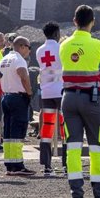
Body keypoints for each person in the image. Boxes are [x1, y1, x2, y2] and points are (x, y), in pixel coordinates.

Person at [60, 5, 100, 198]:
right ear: (93, 21)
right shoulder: (99, 45)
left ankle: (77, 196)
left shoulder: (64, 45)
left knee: (73, 148)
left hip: (68, 99)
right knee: (97, 147)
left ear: (74, 21)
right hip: (91, 100)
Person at [0, 36, 36, 176]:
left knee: (7, 131)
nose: (29, 51)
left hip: (6, 96)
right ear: (22, 46)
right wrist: (29, 92)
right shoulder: (19, 59)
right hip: (18, 97)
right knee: (18, 131)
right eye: (29, 47)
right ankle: (18, 165)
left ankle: (10, 164)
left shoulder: (4, 59)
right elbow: (23, 75)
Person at [36, 21, 66, 176]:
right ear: (56, 33)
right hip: (61, 92)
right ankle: (67, 166)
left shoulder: (40, 51)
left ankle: (47, 167)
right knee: (65, 129)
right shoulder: (62, 48)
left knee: (46, 129)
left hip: (46, 93)